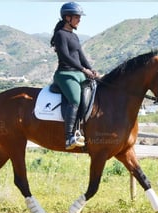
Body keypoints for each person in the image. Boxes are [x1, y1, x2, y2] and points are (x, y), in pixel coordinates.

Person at [50, 2, 98, 150]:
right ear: (67, 18)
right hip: (65, 74)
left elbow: (80, 56)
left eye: (79, 17)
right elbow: (65, 56)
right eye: (77, 17)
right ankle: (69, 137)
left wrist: (91, 70)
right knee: (75, 99)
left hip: (79, 73)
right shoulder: (60, 35)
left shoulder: (74, 36)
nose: (79, 20)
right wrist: (84, 70)